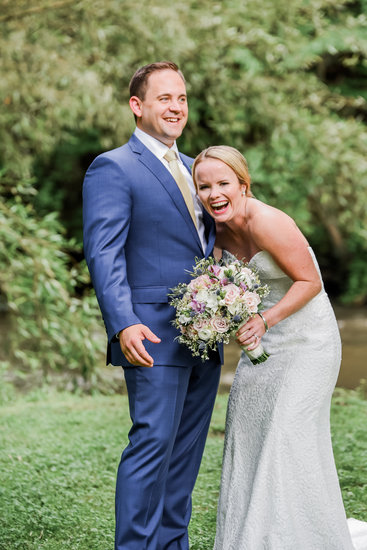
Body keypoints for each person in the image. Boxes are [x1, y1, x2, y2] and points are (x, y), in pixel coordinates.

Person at [192, 145, 367, 549]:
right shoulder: (214, 231)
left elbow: (311, 282)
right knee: (247, 429)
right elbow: (228, 288)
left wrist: (264, 319)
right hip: (264, 345)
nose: (214, 193)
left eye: (223, 183)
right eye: (204, 186)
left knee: (286, 433)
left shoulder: (268, 221)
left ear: (243, 184)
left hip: (308, 341)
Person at [83, 62, 222, 550]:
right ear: (137, 106)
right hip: (150, 335)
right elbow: (104, 252)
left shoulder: (195, 171)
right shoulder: (113, 167)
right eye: (164, 98)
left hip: (204, 335)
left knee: (184, 454)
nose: (176, 107)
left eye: (181, 98)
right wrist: (124, 323)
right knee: (152, 446)